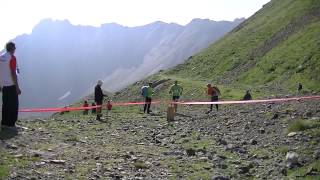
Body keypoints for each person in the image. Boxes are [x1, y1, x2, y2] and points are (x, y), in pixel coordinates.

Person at [0, 42, 21, 129]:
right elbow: (13, 73)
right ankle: (11, 124)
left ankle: (4, 123)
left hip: (3, 85)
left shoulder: (1, 57)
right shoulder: (12, 58)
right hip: (11, 85)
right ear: (12, 48)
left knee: (5, 104)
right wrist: (17, 87)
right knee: (13, 104)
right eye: (15, 48)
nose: (15, 49)